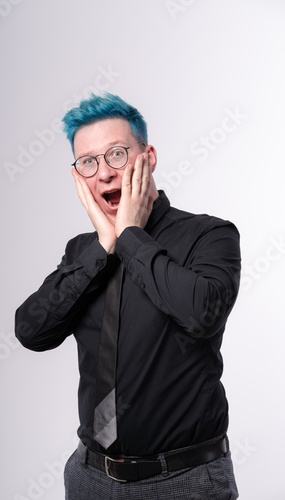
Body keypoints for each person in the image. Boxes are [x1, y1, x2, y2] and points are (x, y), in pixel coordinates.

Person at [15, 93, 241, 499]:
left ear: (148, 157)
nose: (103, 174)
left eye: (116, 154)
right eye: (88, 162)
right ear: (78, 176)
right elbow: (31, 331)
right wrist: (102, 250)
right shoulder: (82, 251)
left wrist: (131, 237)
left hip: (184, 481)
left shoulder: (210, 235)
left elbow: (202, 313)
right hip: (89, 478)